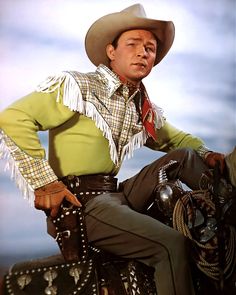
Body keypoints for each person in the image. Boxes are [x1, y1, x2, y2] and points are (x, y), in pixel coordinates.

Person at [0, 4, 228, 295]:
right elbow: (13, 117)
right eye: (132, 44)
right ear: (111, 51)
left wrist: (206, 153)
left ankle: (228, 209)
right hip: (82, 205)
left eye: (150, 48)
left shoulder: (140, 107)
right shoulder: (77, 87)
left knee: (184, 157)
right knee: (171, 246)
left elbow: (176, 140)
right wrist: (46, 183)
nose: (143, 52)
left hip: (115, 195)